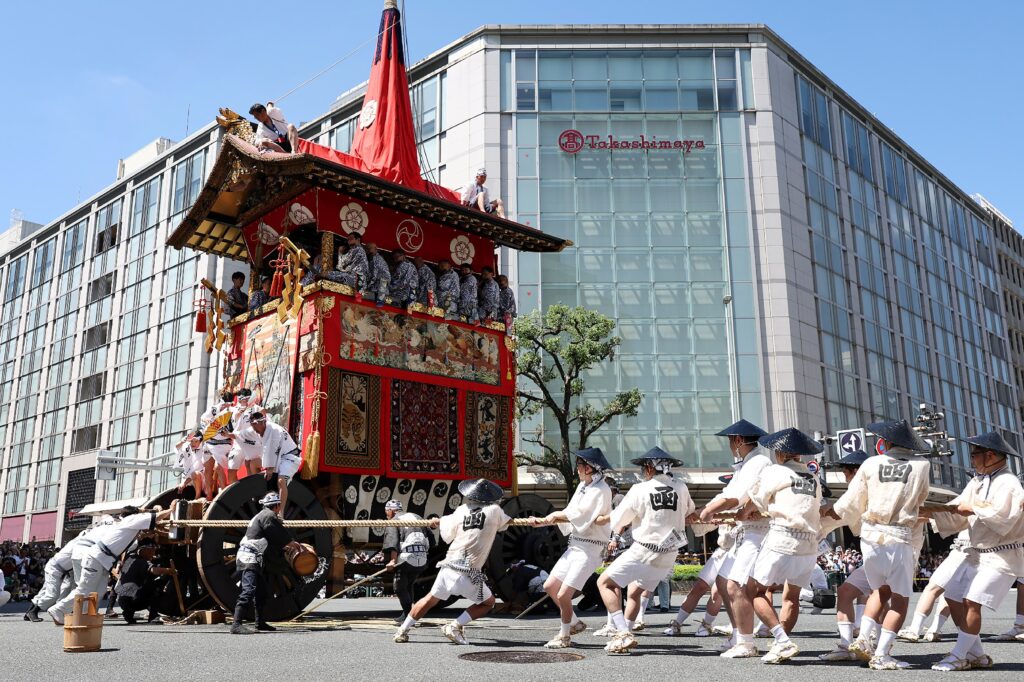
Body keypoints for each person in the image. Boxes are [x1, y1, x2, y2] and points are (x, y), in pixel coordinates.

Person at [828, 419, 932, 670]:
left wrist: (833, 511)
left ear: (885, 443)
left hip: (871, 537)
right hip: (899, 537)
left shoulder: (871, 463)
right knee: (899, 598)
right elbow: (921, 497)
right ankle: (882, 654)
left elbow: (852, 499)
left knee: (879, 591)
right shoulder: (921, 465)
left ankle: (863, 639)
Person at [929, 431, 1024, 672]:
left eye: (974, 454)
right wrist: (926, 513)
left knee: (972, 601)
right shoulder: (978, 481)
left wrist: (973, 508)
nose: (971, 459)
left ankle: (959, 656)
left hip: (1004, 555)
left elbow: (1004, 519)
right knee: (951, 595)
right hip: (977, 553)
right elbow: (958, 509)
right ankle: (977, 654)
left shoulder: (1009, 483)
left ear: (990, 455)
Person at [597, 446, 694, 655]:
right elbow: (690, 511)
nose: (643, 471)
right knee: (635, 591)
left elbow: (620, 520)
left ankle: (622, 632)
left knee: (604, 582)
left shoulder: (640, 489)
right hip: (669, 554)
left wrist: (603, 521)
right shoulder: (681, 487)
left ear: (650, 468)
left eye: (644, 467)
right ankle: (626, 634)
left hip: (644, 550)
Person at [393, 479, 511, 645]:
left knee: (429, 600)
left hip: (449, 565)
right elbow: (504, 525)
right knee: (488, 603)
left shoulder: (461, 510)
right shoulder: (495, 510)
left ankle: (402, 630)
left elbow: (447, 534)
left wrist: (438, 521)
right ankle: (455, 626)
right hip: (468, 571)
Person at [742, 428, 824, 664]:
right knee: (792, 596)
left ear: (780, 452)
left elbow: (755, 499)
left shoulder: (775, 471)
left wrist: (745, 512)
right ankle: (781, 645)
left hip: (783, 537)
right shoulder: (813, 477)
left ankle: (782, 641)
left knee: (754, 590)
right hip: (809, 543)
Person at [698, 418, 772, 658]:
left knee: (736, 585)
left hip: (757, 532)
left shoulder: (758, 461)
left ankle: (747, 642)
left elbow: (736, 496)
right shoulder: (747, 463)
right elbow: (731, 497)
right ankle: (737, 634)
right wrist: (711, 510)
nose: (730, 446)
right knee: (722, 580)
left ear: (739, 440)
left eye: (731, 441)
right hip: (746, 531)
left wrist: (709, 510)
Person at [528, 447, 613, 649]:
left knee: (563, 594)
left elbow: (582, 514)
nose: (577, 469)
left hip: (591, 549)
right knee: (550, 586)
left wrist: (555, 516)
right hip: (576, 545)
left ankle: (564, 635)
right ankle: (574, 621)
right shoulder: (583, 487)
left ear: (590, 468)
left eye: (580, 465)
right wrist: (546, 520)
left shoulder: (602, 489)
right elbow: (572, 511)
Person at [50, 507, 171, 624]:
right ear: (136, 515)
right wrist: (172, 509)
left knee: (99, 591)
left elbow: (139, 538)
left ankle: (87, 616)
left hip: (102, 561)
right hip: (96, 558)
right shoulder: (131, 520)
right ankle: (58, 609)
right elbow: (157, 517)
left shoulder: (126, 527)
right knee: (84, 589)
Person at [817, 448, 874, 661]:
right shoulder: (865, 488)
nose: (845, 478)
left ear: (855, 472)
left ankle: (873, 644)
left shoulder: (865, 487)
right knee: (845, 592)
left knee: (882, 596)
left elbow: (839, 511)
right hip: (874, 552)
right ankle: (847, 645)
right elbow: (840, 513)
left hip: (888, 549)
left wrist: (820, 512)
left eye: (846, 473)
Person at [666, 474, 734, 637]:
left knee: (718, 591)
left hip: (738, 551)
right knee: (699, 586)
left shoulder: (746, 499)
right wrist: (691, 518)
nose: (729, 485)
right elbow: (704, 517)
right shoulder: (721, 499)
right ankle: (678, 623)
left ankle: (707, 624)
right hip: (722, 550)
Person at [232, 492, 302, 634]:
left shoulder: (262, 515)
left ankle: (260, 622)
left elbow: (272, 539)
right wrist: (291, 543)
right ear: (276, 506)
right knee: (249, 590)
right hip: (249, 558)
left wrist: (285, 546)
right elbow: (277, 533)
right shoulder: (268, 516)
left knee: (261, 591)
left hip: (254, 558)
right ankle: (236, 624)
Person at [24, 518, 115, 622]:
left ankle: (29, 613)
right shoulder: (80, 543)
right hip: (55, 568)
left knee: (46, 592)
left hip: (60, 569)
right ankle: (33, 612)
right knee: (52, 594)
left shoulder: (78, 541)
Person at [381, 500, 430, 624]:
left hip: (406, 559)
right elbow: (431, 539)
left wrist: (392, 561)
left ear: (391, 510)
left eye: (387, 512)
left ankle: (410, 616)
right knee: (409, 585)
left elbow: (393, 544)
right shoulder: (417, 517)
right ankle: (406, 615)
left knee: (399, 587)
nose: (387, 515)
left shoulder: (394, 521)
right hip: (422, 557)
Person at [249, 411, 301, 515]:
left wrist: (270, 469)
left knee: (281, 481)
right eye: (252, 425)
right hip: (277, 458)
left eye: (255, 425)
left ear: (263, 422)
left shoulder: (274, 430)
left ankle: (280, 512)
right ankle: (258, 491)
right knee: (253, 463)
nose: (254, 429)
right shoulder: (262, 430)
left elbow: (272, 450)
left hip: (289, 457)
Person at [115, 538, 173, 624]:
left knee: (140, 584)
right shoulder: (142, 562)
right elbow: (154, 570)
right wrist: (170, 571)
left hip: (121, 600)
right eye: (152, 551)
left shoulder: (129, 557)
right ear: (143, 550)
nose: (153, 554)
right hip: (133, 601)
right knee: (156, 586)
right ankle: (153, 617)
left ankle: (128, 613)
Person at [227, 388, 264, 483]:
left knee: (251, 465)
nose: (245, 402)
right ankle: (236, 494)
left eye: (247, 399)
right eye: (242, 400)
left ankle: (254, 491)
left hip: (253, 442)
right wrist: (240, 413)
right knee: (231, 469)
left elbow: (263, 419)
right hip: (239, 442)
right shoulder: (235, 410)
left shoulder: (257, 408)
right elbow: (234, 424)